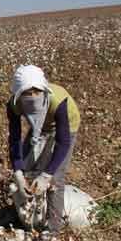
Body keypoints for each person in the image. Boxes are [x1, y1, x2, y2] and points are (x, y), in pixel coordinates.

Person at [7, 65, 81, 232]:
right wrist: (18, 171)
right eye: (27, 98)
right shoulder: (14, 105)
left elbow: (63, 142)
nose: (33, 98)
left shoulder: (59, 102)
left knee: (56, 178)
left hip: (66, 125)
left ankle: (53, 229)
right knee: (26, 168)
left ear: (43, 92)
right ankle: (23, 215)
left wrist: (47, 175)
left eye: (37, 95)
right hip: (38, 126)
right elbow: (15, 138)